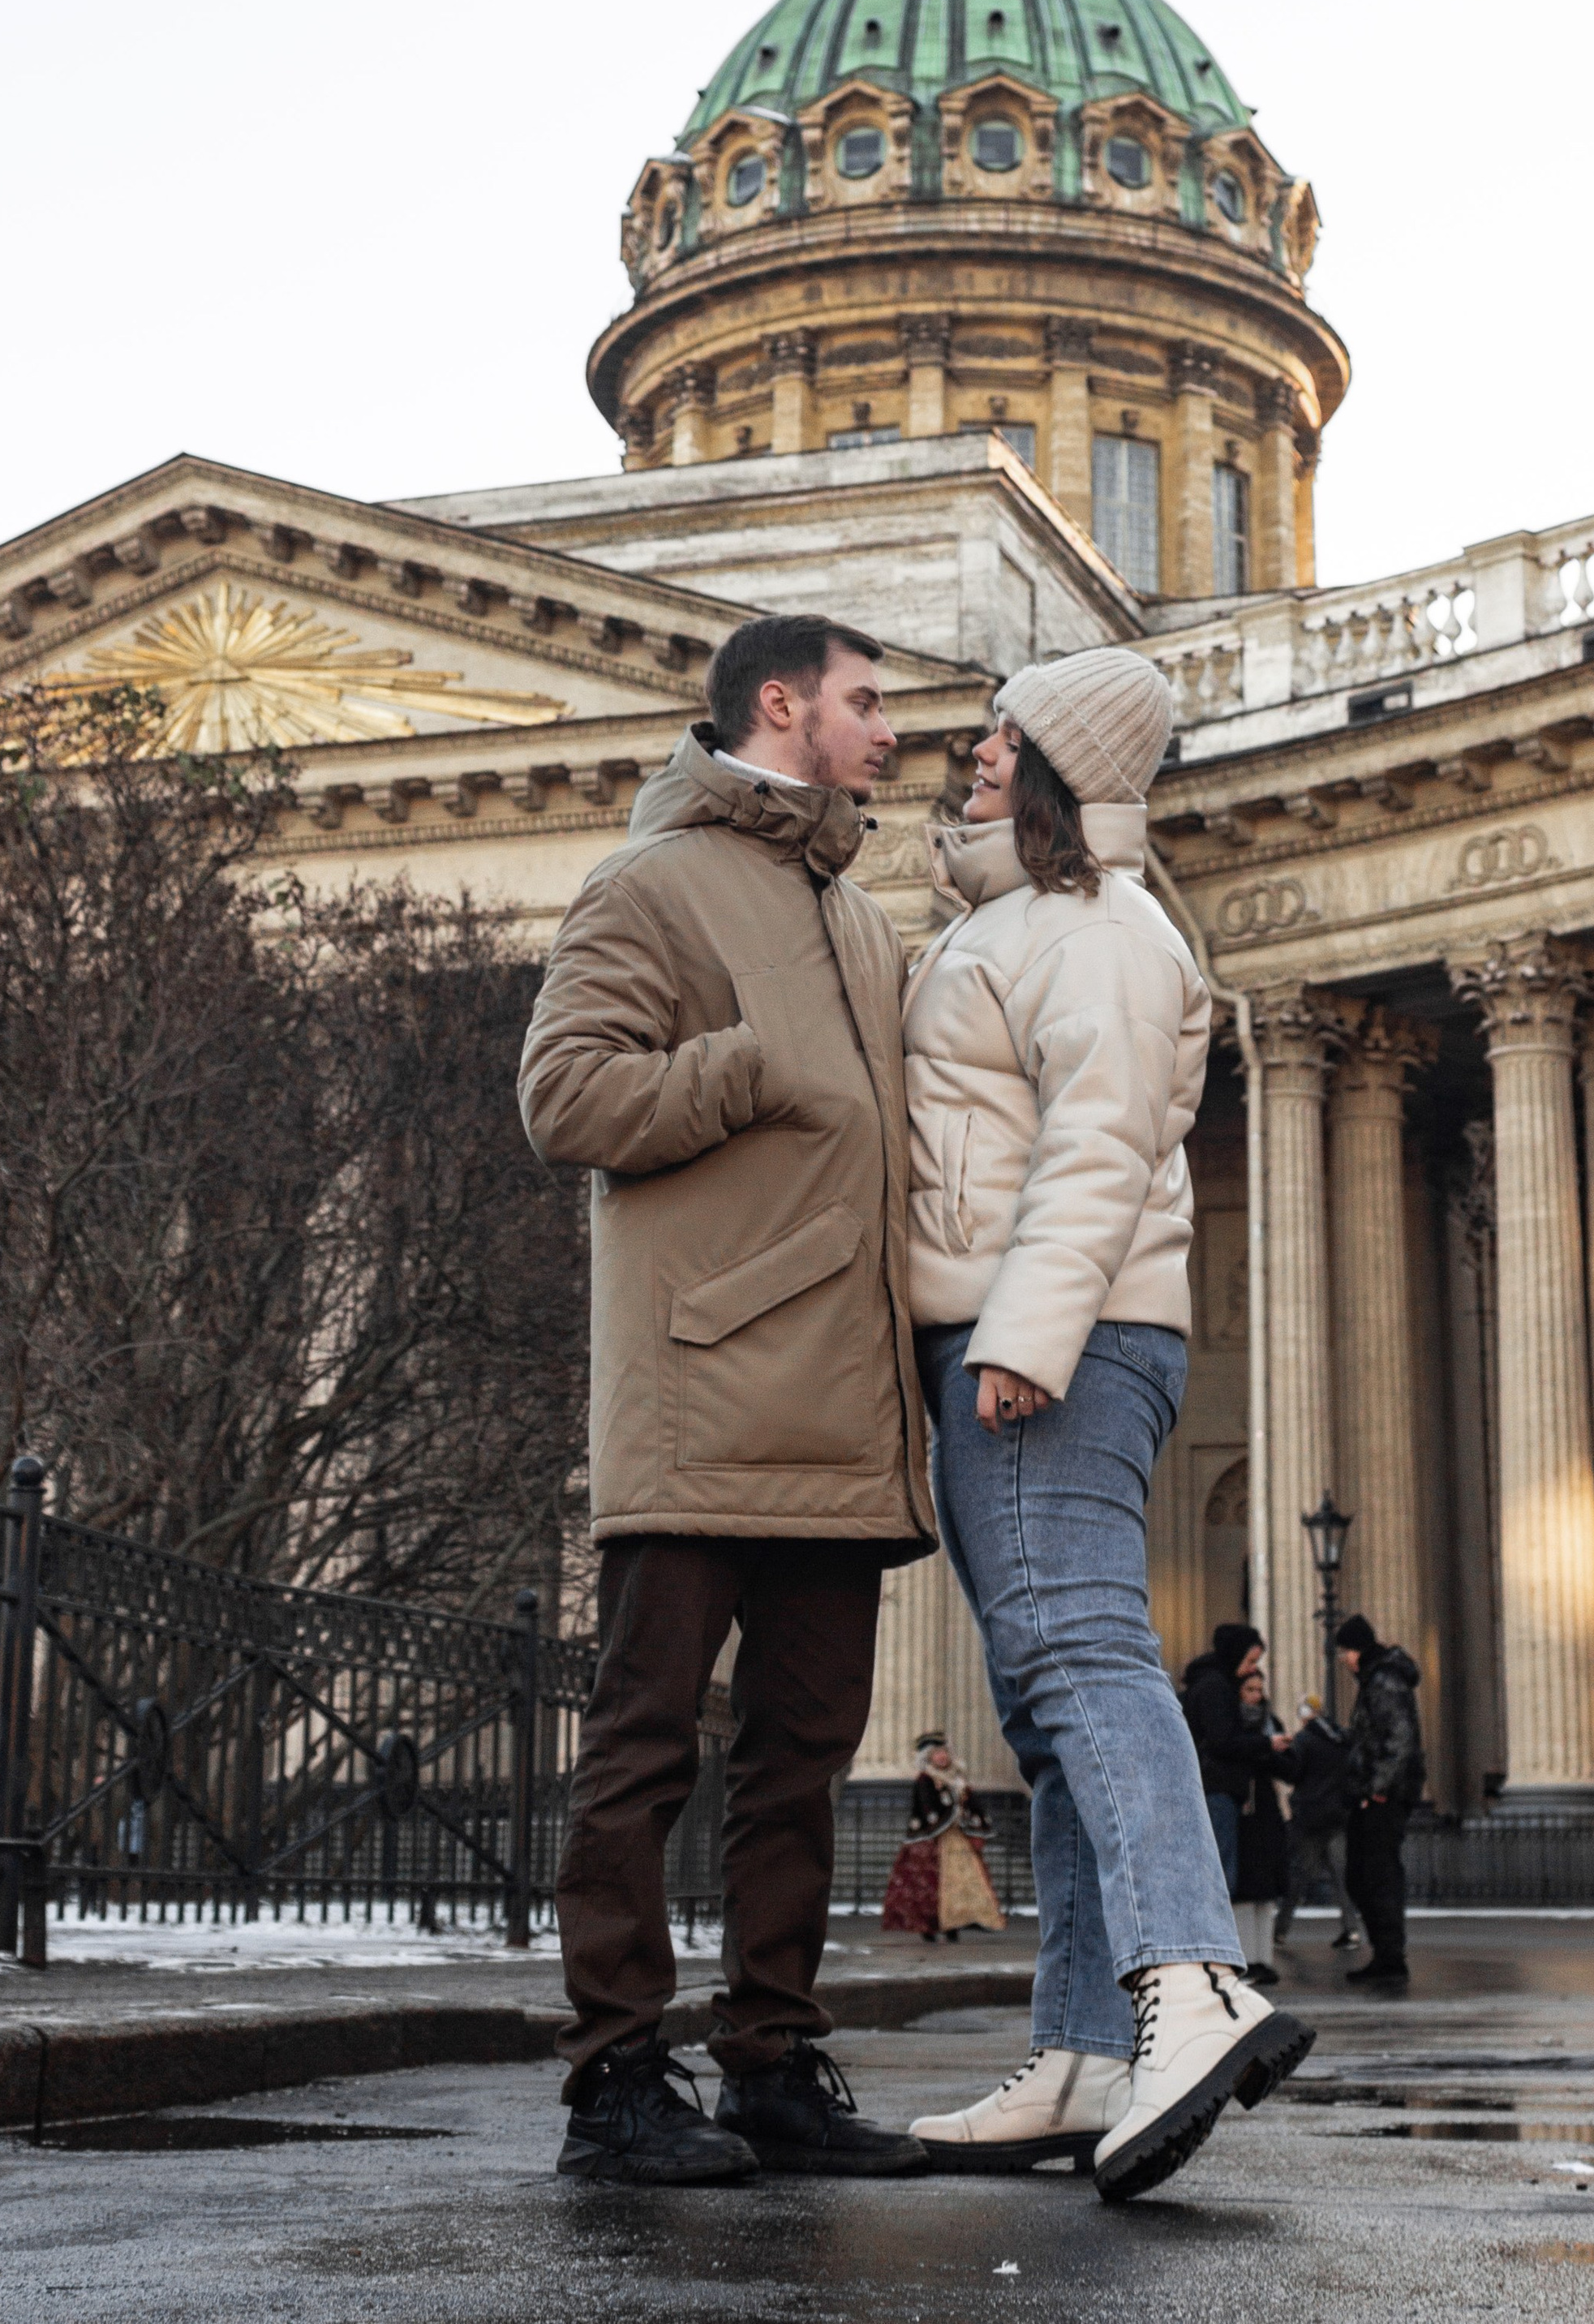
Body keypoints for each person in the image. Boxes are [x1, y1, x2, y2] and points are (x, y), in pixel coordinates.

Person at [518, 615, 933, 2188]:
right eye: (864, 702)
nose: (885, 730)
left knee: (800, 1761)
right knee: (641, 1748)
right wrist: (737, 1071)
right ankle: (614, 2078)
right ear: (782, 705)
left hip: (839, 1407)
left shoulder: (864, 924)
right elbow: (561, 1096)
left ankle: (771, 2060)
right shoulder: (648, 884)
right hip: (699, 1392)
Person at [899, 650, 1313, 2202]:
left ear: (1065, 767)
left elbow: (1095, 1144)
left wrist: (1022, 1337)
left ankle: (1190, 1987)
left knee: (1080, 1655)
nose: (978, 750)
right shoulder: (1017, 920)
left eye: (1010, 735)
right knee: (1049, 1704)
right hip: (1025, 1331)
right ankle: (1079, 2048)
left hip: (1054, 1338)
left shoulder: (1099, 927)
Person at [1180, 1622, 1291, 1935]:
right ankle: (1216, 1948)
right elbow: (1223, 1741)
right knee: (1220, 1876)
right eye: (1251, 1661)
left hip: (1212, 1786)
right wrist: (1266, 1743)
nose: (1251, 1670)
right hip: (1217, 1787)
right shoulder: (1216, 1687)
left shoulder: (1207, 1683)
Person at [1334, 1612, 1424, 1991]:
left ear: (1355, 1650)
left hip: (1382, 1796)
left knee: (1375, 1876)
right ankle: (1385, 1954)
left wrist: (1377, 1788)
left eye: (1344, 1652)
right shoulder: (1378, 1679)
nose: (1342, 1660)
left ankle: (1390, 1957)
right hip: (1375, 1793)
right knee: (1364, 1875)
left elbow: (1399, 1740)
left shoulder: (1384, 1682)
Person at [881, 1732, 1008, 1943]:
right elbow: (926, 1806)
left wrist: (973, 1818)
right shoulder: (926, 1779)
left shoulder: (957, 1778)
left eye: (944, 1753)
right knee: (930, 1881)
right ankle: (930, 1926)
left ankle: (955, 1923)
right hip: (934, 1838)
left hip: (957, 1836)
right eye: (936, 1754)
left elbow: (971, 1802)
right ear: (929, 1758)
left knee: (963, 1880)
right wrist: (948, 1813)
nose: (942, 1758)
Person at [1274, 1696, 1364, 1957]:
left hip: (1310, 1817)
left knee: (1300, 1876)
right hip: (1337, 1816)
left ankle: (1280, 1930)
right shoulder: (1341, 1739)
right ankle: (1352, 1929)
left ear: (1306, 1714)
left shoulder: (1304, 1740)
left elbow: (1293, 1773)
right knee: (1341, 1877)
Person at [1231, 1667, 1292, 1984]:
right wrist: (1262, 1747)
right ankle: (1245, 1959)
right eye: (1250, 1689)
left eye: (1259, 1690)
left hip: (1265, 1808)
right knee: (1244, 1887)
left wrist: (1269, 1751)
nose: (1256, 1696)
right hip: (1240, 1807)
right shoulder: (1231, 1722)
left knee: (1265, 1888)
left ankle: (1263, 1959)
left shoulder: (1271, 1723)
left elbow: (1289, 1766)